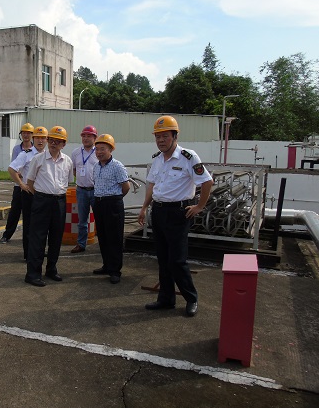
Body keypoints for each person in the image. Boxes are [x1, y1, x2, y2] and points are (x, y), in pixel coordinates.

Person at [137, 115, 213, 317]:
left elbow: (207, 182)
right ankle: (166, 299)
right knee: (162, 258)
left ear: (175, 136)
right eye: (158, 137)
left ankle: (191, 298)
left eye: (165, 136)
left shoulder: (188, 157)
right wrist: (144, 207)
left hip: (179, 213)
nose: (161, 140)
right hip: (159, 211)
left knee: (177, 261)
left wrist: (200, 206)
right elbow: (152, 185)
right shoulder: (157, 159)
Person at [24, 126, 73, 287]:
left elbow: (67, 182)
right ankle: (32, 274)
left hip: (60, 202)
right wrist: (41, 197)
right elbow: (30, 182)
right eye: (51, 140)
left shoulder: (67, 161)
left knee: (56, 237)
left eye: (58, 141)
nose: (53, 143)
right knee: (38, 238)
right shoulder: (38, 159)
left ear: (63, 144)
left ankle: (51, 269)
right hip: (41, 201)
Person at [91, 134, 130, 284]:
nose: (99, 152)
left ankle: (115, 271)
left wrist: (115, 199)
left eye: (103, 149)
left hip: (113, 204)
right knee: (103, 236)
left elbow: (126, 187)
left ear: (111, 149)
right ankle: (106, 265)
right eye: (97, 149)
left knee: (114, 238)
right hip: (99, 203)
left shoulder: (117, 166)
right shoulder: (96, 166)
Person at [8, 126, 48, 260]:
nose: (40, 141)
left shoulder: (48, 155)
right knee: (29, 225)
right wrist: (21, 184)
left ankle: (40, 250)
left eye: (43, 138)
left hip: (43, 194)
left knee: (42, 224)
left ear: (47, 140)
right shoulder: (26, 154)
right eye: (38, 138)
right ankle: (28, 254)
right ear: (33, 139)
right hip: (29, 194)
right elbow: (12, 169)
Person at [0, 123, 34, 244]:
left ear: (32, 135)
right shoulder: (16, 149)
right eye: (24, 133)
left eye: (28, 133)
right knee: (15, 211)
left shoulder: (35, 150)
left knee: (30, 214)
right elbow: (14, 166)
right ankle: (7, 235)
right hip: (18, 185)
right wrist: (19, 175)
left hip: (31, 187)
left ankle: (29, 238)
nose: (26, 135)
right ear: (21, 135)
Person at [70, 125, 99, 253]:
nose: (86, 138)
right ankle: (81, 244)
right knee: (82, 220)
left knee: (100, 218)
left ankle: (103, 244)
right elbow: (74, 170)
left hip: (96, 190)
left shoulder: (98, 152)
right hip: (81, 190)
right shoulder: (76, 153)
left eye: (89, 136)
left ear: (95, 138)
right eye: (84, 136)